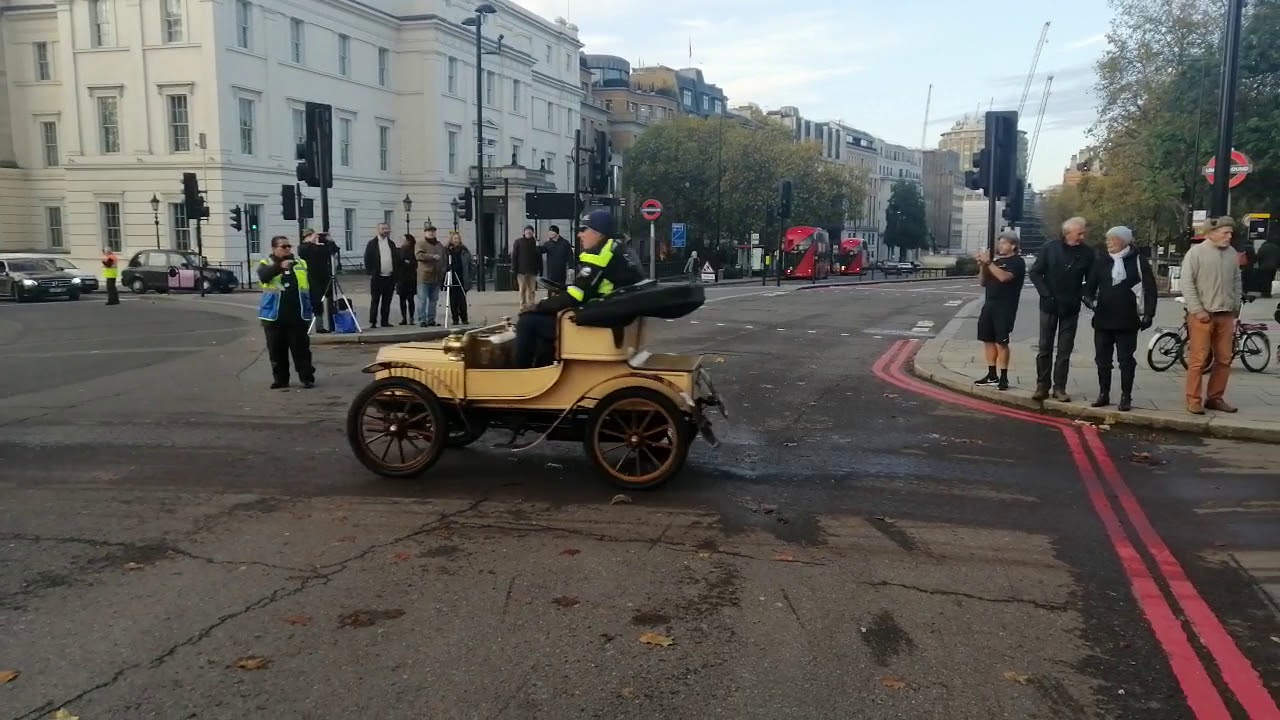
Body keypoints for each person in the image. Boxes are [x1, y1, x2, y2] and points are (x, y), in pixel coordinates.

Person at [514, 209, 644, 368]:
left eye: (584, 229)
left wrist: (537, 306)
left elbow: (576, 296)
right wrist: (563, 292)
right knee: (546, 321)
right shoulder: (620, 249)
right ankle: (545, 367)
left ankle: (520, 373)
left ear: (598, 233)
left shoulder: (600, 254)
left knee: (527, 321)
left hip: (605, 320)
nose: (579, 234)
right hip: (616, 315)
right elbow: (589, 287)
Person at [1082, 227, 1157, 412]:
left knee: (1126, 361)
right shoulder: (1101, 261)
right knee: (1102, 360)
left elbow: (1150, 289)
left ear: (1124, 241)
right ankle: (1103, 394)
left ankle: (1126, 396)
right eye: (1107, 239)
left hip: (1127, 319)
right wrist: (1091, 303)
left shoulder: (1138, 260)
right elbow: (1088, 289)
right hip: (1103, 319)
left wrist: (1149, 314)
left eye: (1112, 239)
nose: (1108, 242)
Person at [1181, 216, 1244, 415]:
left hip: (1225, 314)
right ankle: (1193, 400)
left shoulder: (1232, 253)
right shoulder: (1196, 253)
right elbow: (1187, 283)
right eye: (1225, 232)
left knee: (1224, 359)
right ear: (1212, 233)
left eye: (1231, 232)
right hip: (1203, 314)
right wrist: (1197, 310)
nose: (1229, 236)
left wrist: (1235, 306)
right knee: (1198, 360)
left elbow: (1237, 281)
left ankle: (1215, 397)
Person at [1029, 216, 1094, 402]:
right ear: (1068, 233)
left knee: (1065, 350)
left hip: (1071, 307)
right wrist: (1046, 294)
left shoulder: (1087, 253)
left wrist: (1084, 295)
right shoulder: (1049, 248)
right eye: (1079, 233)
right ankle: (1042, 386)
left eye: (1083, 233)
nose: (1082, 237)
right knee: (1044, 347)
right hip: (1049, 305)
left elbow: (1091, 280)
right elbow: (1035, 273)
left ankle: (1060, 388)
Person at [257, 235, 315, 389]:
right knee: (276, 351)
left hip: (298, 314)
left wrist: (315, 304)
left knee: (301, 350)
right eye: (283, 246)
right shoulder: (266, 263)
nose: (287, 249)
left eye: (289, 246)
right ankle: (281, 379)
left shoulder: (300, 263)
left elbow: (310, 285)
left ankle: (306, 378)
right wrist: (280, 267)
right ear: (274, 249)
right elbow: (264, 277)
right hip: (273, 316)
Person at [973, 231, 1027, 391]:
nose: (1000, 246)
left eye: (1004, 243)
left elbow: (1004, 278)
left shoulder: (1017, 262)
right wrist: (983, 266)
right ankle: (992, 374)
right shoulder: (996, 261)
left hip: (1005, 307)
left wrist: (989, 262)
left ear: (1013, 245)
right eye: (1000, 243)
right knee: (987, 340)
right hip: (989, 305)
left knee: (1001, 342)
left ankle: (1003, 377)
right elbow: (982, 282)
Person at [297, 229, 338, 333]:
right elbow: (302, 252)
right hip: (311, 278)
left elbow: (333, 250)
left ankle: (329, 325)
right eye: (311, 236)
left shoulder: (320, 246)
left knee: (327, 301)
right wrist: (312, 241)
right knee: (314, 303)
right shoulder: (303, 247)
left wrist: (329, 240)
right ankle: (311, 326)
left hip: (325, 277)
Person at [363, 222, 397, 328]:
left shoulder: (391, 243)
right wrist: (370, 272)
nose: (386, 231)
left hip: (390, 277)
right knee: (375, 300)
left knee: (387, 300)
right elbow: (367, 258)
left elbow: (395, 258)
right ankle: (372, 321)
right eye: (383, 229)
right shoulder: (372, 243)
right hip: (377, 276)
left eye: (387, 228)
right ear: (378, 230)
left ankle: (384, 321)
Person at [415, 225, 445, 327]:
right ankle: (422, 319)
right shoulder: (421, 243)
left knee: (433, 300)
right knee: (422, 300)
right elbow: (418, 255)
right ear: (425, 233)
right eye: (429, 231)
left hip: (436, 276)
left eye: (433, 231)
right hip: (424, 276)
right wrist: (432, 257)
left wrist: (443, 270)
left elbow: (443, 258)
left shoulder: (439, 245)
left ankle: (431, 319)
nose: (431, 233)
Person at [443, 230, 472, 325]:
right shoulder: (447, 250)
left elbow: (469, 264)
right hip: (451, 277)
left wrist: (469, 277)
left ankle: (464, 318)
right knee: (453, 300)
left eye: (458, 238)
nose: (456, 240)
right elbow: (443, 263)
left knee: (462, 299)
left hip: (462, 277)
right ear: (451, 240)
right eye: (455, 238)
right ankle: (455, 318)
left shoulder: (464, 250)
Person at [511, 225, 542, 309]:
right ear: (524, 232)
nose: (528, 232)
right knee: (522, 289)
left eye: (530, 231)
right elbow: (514, 256)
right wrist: (514, 268)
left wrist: (540, 269)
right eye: (527, 230)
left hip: (533, 270)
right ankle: (523, 305)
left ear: (533, 232)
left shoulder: (535, 243)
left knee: (532, 290)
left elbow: (539, 257)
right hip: (521, 271)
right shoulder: (518, 242)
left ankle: (531, 304)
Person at [396, 233, 417, 325]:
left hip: (411, 278)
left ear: (408, 241)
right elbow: (397, 262)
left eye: (403, 239)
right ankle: (404, 318)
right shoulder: (399, 250)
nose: (402, 241)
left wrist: (408, 263)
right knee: (402, 299)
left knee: (410, 299)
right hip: (401, 277)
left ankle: (411, 317)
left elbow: (414, 263)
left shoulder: (413, 250)